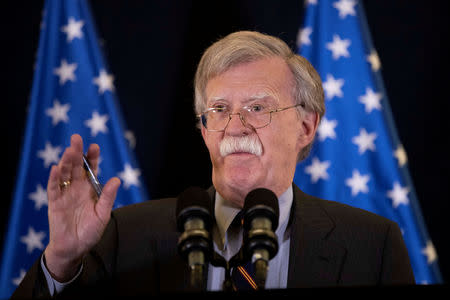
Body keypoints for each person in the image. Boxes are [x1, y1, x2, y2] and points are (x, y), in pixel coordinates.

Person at [12, 31, 414, 298]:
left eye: (258, 107)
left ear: (306, 127)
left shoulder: (371, 246)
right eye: (219, 109)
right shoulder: (126, 236)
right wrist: (61, 261)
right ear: (204, 130)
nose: (234, 127)